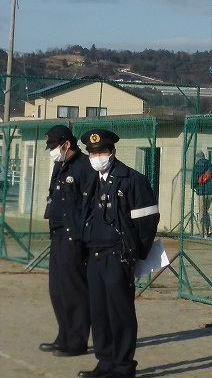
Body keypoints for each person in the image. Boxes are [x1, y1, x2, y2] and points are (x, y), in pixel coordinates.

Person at [79, 129, 160, 378]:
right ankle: (105, 362)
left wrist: (135, 254)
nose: (97, 157)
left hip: (118, 254)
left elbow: (148, 221)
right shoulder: (92, 180)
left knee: (120, 312)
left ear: (113, 152)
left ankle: (123, 366)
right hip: (94, 253)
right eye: (93, 154)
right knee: (99, 311)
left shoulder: (132, 180)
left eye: (102, 152)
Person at [40, 125, 98, 358]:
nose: (53, 151)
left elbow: (90, 203)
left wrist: (83, 236)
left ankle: (77, 340)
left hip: (73, 235)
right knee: (57, 289)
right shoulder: (61, 165)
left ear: (66, 144)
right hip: (57, 232)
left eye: (55, 147)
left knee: (74, 289)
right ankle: (63, 335)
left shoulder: (84, 166)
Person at [192, 150, 212, 237]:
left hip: (201, 192)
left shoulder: (196, 166)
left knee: (201, 212)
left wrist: (195, 186)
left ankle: (203, 232)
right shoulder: (211, 165)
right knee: (205, 211)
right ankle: (208, 230)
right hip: (210, 192)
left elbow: (194, 180)